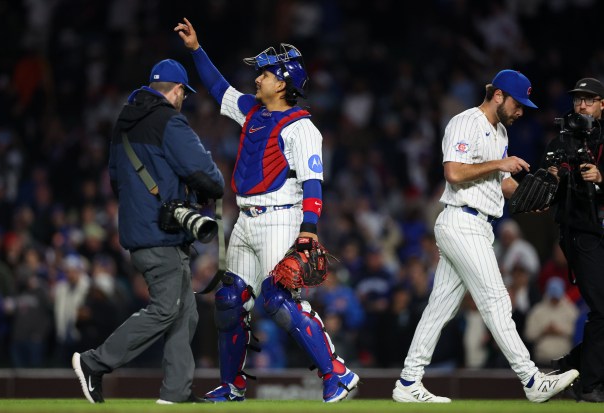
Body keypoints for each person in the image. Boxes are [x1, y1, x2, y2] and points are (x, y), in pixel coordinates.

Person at [174, 18, 359, 403]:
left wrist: (309, 229)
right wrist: (196, 50)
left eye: (265, 73)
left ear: (284, 82)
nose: (257, 79)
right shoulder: (251, 111)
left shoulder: (301, 127)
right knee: (228, 301)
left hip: (281, 217)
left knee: (278, 300)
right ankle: (232, 385)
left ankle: (336, 373)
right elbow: (218, 88)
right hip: (245, 219)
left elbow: (313, 182)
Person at [391, 69, 579, 403]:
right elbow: (454, 172)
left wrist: (524, 198)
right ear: (497, 95)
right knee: (496, 300)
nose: (521, 110)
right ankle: (531, 379)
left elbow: (500, 182)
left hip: (477, 224)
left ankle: (408, 381)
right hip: (462, 220)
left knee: (439, 309)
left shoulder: (501, 131)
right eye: (517, 103)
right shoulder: (465, 123)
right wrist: (498, 164)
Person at [71, 58, 225, 404]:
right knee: (167, 307)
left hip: (140, 228)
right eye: (183, 93)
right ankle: (94, 362)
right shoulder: (169, 121)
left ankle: (176, 392)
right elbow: (205, 174)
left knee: (185, 310)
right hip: (161, 234)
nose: (184, 99)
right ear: (176, 91)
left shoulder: (123, 123)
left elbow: (115, 180)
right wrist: (204, 187)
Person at [547, 77, 604, 402]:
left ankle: (572, 367)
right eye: (578, 99)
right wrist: (553, 176)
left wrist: (601, 177)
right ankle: (590, 385)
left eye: (589, 99)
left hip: (600, 230)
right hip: (581, 232)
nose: (582, 104)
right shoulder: (562, 142)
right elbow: (544, 187)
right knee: (602, 309)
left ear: (602, 105)